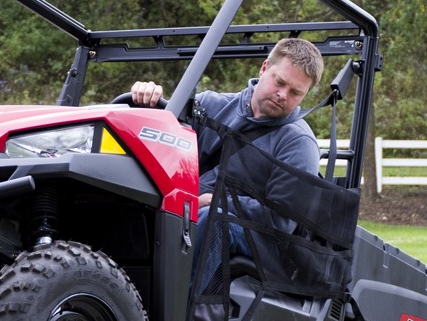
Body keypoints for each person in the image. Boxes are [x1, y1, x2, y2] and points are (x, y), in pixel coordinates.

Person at [131, 37, 324, 271]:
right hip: (182, 210)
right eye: (280, 82)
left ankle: (186, 306)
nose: (283, 94)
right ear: (264, 68)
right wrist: (146, 102)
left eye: (295, 92)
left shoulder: (298, 142)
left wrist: (216, 201)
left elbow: (280, 221)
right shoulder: (209, 106)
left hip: (261, 240)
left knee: (212, 221)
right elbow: (161, 146)